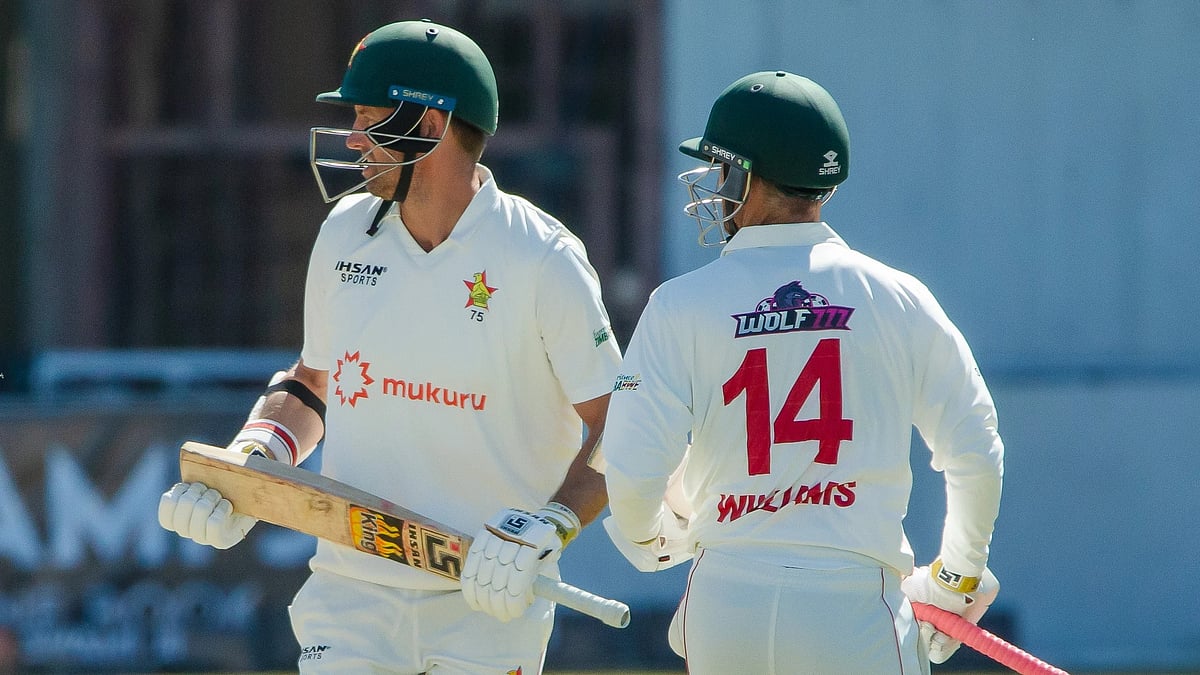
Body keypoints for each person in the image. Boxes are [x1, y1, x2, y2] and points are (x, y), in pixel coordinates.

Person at [157, 19, 621, 674]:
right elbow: (313, 380)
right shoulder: (344, 232)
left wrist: (548, 527)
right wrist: (251, 464)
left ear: (431, 126)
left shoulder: (542, 257)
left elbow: (619, 425)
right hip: (351, 592)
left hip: (486, 601)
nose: (352, 138)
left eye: (369, 117)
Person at [599, 70, 1004, 674]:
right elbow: (975, 449)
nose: (713, 186)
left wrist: (657, 537)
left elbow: (632, 471)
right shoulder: (899, 297)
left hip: (725, 601)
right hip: (856, 606)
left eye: (721, 171)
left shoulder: (679, 304)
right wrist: (955, 578)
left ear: (743, 175)